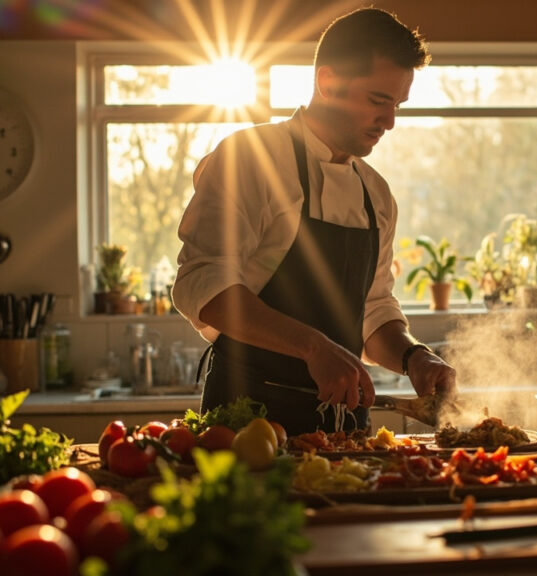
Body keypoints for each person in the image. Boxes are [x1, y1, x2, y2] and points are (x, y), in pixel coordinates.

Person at [172, 7, 456, 436]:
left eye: (397, 105)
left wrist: (414, 355)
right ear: (327, 82)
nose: (390, 122)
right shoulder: (249, 159)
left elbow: (374, 311)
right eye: (378, 101)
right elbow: (203, 285)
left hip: (345, 432)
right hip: (247, 421)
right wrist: (313, 346)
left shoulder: (375, 194)